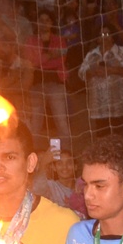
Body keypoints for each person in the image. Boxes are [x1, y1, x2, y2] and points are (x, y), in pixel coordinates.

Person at [23, 10, 72, 147]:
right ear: (36, 22)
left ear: (51, 23)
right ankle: (33, 153)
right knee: (36, 123)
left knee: (61, 120)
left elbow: (61, 60)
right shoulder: (30, 40)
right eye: (41, 20)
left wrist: (41, 59)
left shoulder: (59, 40)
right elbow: (30, 61)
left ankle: (67, 152)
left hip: (55, 83)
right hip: (36, 84)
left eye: (47, 20)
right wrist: (50, 55)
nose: (44, 23)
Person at [78, 26, 123, 139]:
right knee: (103, 142)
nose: (104, 37)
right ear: (97, 38)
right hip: (99, 108)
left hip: (120, 106)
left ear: (113, 36)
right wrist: (94, 72)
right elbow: (81, 73)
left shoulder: (122, 52)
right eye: (101, 35)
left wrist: (110, 70)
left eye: (107, 34)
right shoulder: (91, 54)